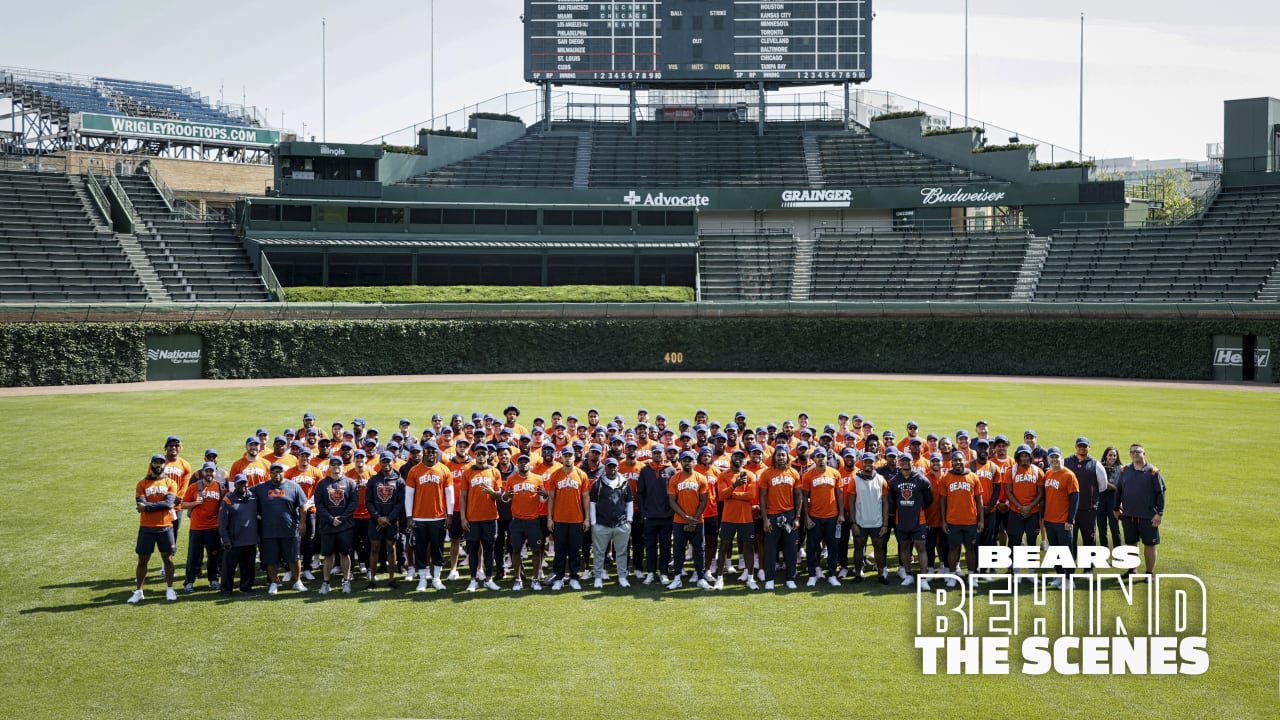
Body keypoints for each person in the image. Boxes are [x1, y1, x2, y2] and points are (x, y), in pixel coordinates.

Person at [128, 454, 181, 603]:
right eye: (156, 462)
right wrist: (150, 506)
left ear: (164, 465)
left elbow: (169, 503)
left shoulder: (170, 482)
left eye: (161, 463)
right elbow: (140, 504)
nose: (158, 465)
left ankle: (170, 589)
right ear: (151, 465)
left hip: (165, 527)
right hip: (146, 527)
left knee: (168, 558)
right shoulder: (142, 484)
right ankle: (139, 591)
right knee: (142, 560)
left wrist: (148, 507)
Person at [251, 463, 310, 595]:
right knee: (271, 559)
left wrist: (302, 524)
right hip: (269, 530)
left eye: (280, 471)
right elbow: (245, 492)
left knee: (294, 558)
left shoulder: (293, 486)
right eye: (274, 472)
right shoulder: (261, 487)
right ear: (269, 473)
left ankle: (297, 581)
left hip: (290, 529)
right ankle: (274, 583)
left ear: (284, 472)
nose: (277, 474)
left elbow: (303, 506)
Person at [406, 441, 453, 591]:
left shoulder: (444, 470)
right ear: (423, 452)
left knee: (438, 549)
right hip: (419, 517)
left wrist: (450, 514)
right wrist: (409, 516)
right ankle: (422, 579)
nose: (431, 455)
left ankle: (436, 579)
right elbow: (409, 495)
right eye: (428, 451)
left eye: (433, 452)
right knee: (420, 549)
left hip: (438, 516)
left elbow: (449, 494)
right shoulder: (414, 471)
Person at [1115, 443, 1166, 578]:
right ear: (1130, 454)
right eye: (1132, 452)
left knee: (1149, 545)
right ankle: (1132, 570)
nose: (1135, 454)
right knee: (1131, 544)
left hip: (1148, 517)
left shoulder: (1153, 472)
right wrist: (1116, 508)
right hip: (1129, 515)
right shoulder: (1124, 470)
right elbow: (1118, 490)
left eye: (1138, 452)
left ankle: (1149, 573)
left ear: (1144, 453)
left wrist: (1159, 514)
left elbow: (1160, 494)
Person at [758, 444, 802, 590]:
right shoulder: (766, 473)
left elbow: (798, 496)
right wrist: (765, 519)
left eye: (783, 455)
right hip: (772, 515)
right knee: (771, 549)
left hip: (789, 515)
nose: (781, 457)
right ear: (774, 457)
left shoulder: (794, 473)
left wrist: (797, 517)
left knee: (790, 548)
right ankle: (769, 578)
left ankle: (790, 577)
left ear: (788, 456)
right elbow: (762, 498)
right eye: (778, 455)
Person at [460, 444, 503, 592]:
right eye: (477, 453)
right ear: (474, 455)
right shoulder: (467, 473)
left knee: (489, 549)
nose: (480, 456)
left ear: (488, 455)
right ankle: (473, 579)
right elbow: (463, 497)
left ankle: (489, 579)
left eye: (483, 453)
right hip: (472, 517)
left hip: (490, 517)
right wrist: (463, 518)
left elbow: (500, 495)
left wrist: (492, 492)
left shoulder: (494, 472)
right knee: (472, 549)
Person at [713, 449, 758, 590]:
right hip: (728, 518)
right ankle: (719, 578)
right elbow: (721, 495)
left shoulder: (750, 475)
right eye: (736, 456)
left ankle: (750, 578)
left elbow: (750, 495)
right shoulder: (723, 475)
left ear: (745, 460)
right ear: (731, 458)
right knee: (724, 546)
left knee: (748, 547)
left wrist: (732, 494)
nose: (738, 458)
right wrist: (735, 485)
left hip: (746, 518)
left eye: (741, 457)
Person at [547, 447, 590, 591]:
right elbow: (551, 497)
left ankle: (573, 577)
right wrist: (549, 518)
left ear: (574, 457)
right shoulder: (555, 475)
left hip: (577, 519)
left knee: (574, 551)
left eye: (570, 455)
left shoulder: (581, 474)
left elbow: (585, 498)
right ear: (561, 458)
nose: (568, 458)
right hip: (559, 519)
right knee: (559, 551)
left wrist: (587, 518)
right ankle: (559, 578)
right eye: (565, 456)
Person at [939, 450, 985, 588]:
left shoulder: (973, 477)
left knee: (970, 549)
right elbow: (942, 501)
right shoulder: (946, 478)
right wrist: (943, 520)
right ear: (951, 462)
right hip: (953, 520)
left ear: (964, 461)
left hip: (970, 520)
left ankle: (972, 575)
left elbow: (979, 500)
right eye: (955, 460)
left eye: (960, 460)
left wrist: (981, 520)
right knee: (953, 548)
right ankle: (952, 575)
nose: (957, 463)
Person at [503, 453, 548, 591]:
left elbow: (543, 498)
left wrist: (544, 495)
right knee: (516, 550)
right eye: (521, 462)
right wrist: (506, 495)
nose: (523, 464)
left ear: (530, 464)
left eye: (526, 462)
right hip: (517, 520)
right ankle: (517, 579)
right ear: (517, 464)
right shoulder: (511, 479)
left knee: (536, 550)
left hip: (533, 520)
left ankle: (535, 579)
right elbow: (505, 499)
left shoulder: (538, 479)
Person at [889, 453, 933, 590]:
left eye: (908, 460)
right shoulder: (894, 480)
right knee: (904, 547)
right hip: (902, 520)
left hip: (918, 520)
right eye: (903, 461)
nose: (905, 463)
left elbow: (929, 499)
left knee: (921, 547)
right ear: (899, 463)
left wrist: (918, 507)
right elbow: (892, 501)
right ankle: (908, 575)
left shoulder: (921, 480)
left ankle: (923, 578)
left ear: (912, 462)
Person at [667, 450, 710, 590]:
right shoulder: (674, 478)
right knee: (678, 549)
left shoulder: (701, 478)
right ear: (680, 462)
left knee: (699, 550)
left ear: (694, 462)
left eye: (689, 460)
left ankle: (700, 577)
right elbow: (672, 501)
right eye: (684, 460)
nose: (687, 462)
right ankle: (677, 577)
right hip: (679, 521)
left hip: (698, 521)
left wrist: (695, 518)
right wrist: (685, 517)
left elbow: (704, 500)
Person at [800, 448, 843, 587]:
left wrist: (841, 513)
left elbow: (839, 494)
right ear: (814, 459)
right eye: (818, 456)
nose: (820, 459)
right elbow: (804, 497)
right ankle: (812, 575)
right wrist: (806, 517)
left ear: (827, 458)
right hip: (815, 516)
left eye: (822, 456)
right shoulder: (808, 475)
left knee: (833, 547)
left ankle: (832, 574)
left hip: (832, 516)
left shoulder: (835, 473)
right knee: (812, 547)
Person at [315, 457, 358, 594]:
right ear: (329, 467)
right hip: (327, 525)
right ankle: (326, 582)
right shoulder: (322, 484)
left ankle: (346, 581)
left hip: (345, 526)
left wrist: (342, 518)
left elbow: (353, 503)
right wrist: (330, 518)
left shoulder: (350, 483)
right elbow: (319, 504)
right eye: (333, 465)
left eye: (338, 464)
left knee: (345, 554)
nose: (335, 467)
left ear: (343, 466)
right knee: (327, 555)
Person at [180, 461, 225, 593]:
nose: (209, 474)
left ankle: (213, 580)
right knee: (194, 556)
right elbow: (182, 505)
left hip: (213, 528)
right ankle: (189, 581)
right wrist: (194, 503)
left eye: (211, 471)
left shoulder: (221, 487)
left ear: (215, 473)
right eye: (207, 471)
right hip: (197, 528)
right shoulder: (194, 487)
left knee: (214, 556)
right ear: (203, 472)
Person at [589, 457, 634, 588]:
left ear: (617, 468)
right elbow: (592, 503)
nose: (612, 469)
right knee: (599, 552)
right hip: (601, 524)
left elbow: (629, 502)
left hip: (621, 524)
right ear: (606, 468)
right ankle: (598, 577)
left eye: (614, 466)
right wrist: (593, 523)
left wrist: (629, 520)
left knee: (622, 552)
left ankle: (622, 577)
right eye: (609, 466)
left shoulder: (624, 483)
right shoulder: (598, 484)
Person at [1003, 444, 1044, 579]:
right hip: (1016, 511)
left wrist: (1030, 507)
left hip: (1032, 512)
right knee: (1015, 539)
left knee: (1032, 540)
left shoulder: (1038, 471)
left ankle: (1031, 571)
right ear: (1018, 458)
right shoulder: (1012, 471)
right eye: (1022, 456)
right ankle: (1016, 568)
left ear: (1030, 457)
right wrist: (1021, 507)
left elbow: (1040, 493)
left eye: (1026, 456)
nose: (1024, 459)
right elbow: (1008, 492)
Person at [366, 451, 406, 589]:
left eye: (388, 461)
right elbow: (369, 501)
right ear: (380, 463)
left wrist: (389, 518)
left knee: (391, 548)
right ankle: (372, 579)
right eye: (383, 461)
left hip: (391, 522)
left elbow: (400, 503)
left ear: (393, 462)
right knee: (374, 549)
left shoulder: (400, 481)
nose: (386, 464)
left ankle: (391, 578)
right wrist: (378, 517)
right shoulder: (373, 480)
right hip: (375, 521)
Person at [637, 444, 676, 585]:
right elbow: (640, 493)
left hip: (666, 516)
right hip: (650, 516)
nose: (657, 455)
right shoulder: (645, 471)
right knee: (650, 546)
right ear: (652, 454)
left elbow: (674, 493)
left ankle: (664, 573)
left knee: (665, 546)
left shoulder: (670, 470)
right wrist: (643, 511)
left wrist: (671, 511)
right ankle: (651, 572)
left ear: (663, 454)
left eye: (660, 453)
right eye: (655, 453)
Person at [1042, 448, 1081, 588]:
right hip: (1049, 519)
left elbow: (1075, 499)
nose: (1054, 459)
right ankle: (1060, 576)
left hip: (1063, 521)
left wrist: (1070, 520)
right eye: (1051, 457)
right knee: (1055, 550)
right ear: (1048, 459)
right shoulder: (1048, 474)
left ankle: (1070, 579)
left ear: (1061, 458)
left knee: (1066, 551)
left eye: (1056, 457)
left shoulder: (1069, 475)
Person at [849, 452, 890, 585]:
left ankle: (881, 574)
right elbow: (851, 503)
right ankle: (858, 573)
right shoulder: (854, 480)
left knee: (879, 547)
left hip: (877, 521)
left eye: (870, 462)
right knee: (859, 547)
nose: (868, 464)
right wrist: (853, 523)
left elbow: (885, 503)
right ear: (862, 463)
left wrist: (885, 524)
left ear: (874, 463)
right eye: (866, 462)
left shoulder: (881, 480)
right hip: (860, 521)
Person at [1064, 437, 1107, 553]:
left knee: (1089, 539)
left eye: (1084, 446)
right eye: (1079, 446)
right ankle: (1069, 567)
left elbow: (1103, 485)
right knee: (1069, 539)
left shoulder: (1096, 465)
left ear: (1089, 447)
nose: (1082, 448)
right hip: (1070, 509)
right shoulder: (1066, 462)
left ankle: (1088, 568)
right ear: (1075, 447)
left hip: (1088, 510)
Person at [218, 474, 260, 596]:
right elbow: (222, 522)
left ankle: (246, 587)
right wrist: (225, 539)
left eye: (244, 483)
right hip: (234, 541)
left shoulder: (253, 497)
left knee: (248, 567)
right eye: (240, 483)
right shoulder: (228, 499)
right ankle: (226, 589)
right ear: (235, 485)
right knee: (229, 568)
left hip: (250, 540)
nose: (243, 486)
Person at [1097, 446, 1124, 548]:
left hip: (1114, 500)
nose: (1112, 457)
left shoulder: (1121, 468)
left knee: (1114, 527)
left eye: (1114, 455)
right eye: (1110, 455)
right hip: (1101, 499)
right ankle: (1105, 553)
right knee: (1101, 527)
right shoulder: (1099, 467)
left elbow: (1121, 486)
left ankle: (1119, 553)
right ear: (1105, 456)